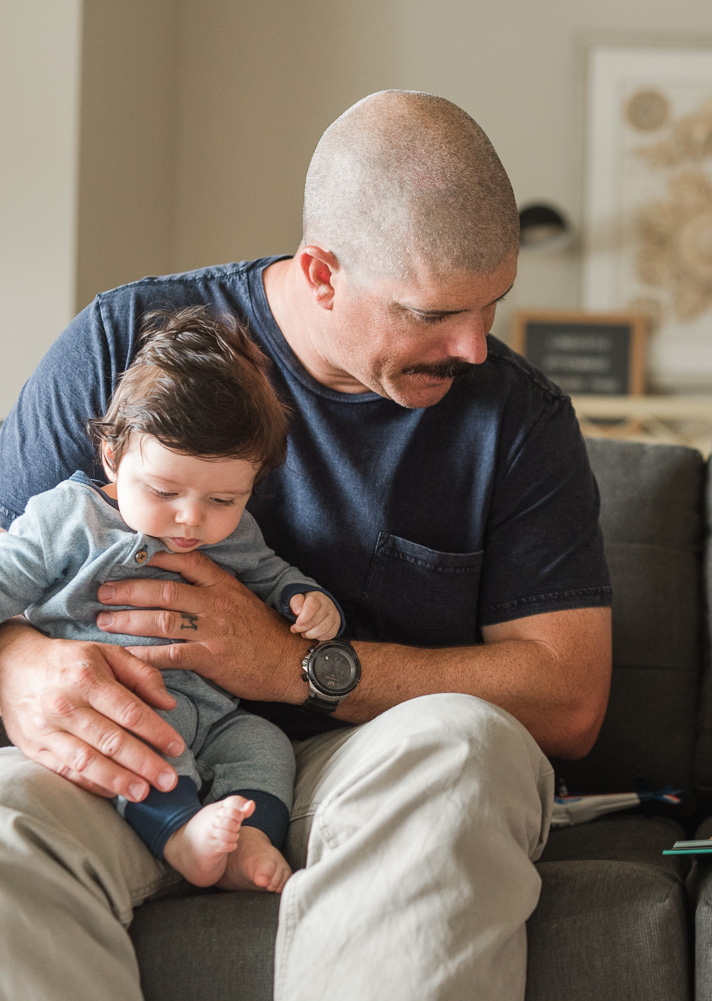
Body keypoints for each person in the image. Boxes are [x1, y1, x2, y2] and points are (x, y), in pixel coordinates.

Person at [0, 91, 613, 1001]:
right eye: (432, 312)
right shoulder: (122, 342)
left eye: (493, 306)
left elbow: (567, 699)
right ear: (322, 272)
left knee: (467, 748)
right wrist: (16, 665)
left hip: (359, 768)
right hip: (135, 752)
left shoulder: (517, 419)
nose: (475, 347)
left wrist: (293, 665)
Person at [0, 306, 344, 894]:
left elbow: (269, 573)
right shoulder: (71, 517)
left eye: (223, 499)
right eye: (164, 491)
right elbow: (12, 573)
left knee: (264, 746)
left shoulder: (233, 535)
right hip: (124, 698)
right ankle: (178, 833)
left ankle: (251, 836)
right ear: (113, 456)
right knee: (147, 736)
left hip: (215, 712)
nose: (191, 519)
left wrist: (307, 600)